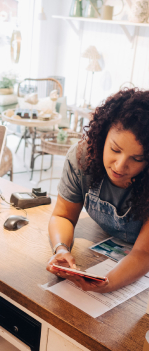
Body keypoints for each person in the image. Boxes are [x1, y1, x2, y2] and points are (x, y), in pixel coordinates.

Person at [47, 89, 149, 293]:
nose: (120, 166)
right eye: (115, 149)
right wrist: (61, 249)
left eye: (137, 159)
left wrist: (108, 282)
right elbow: (63, 215)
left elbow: (143, 252)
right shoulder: (82, 157)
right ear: (103, 137)